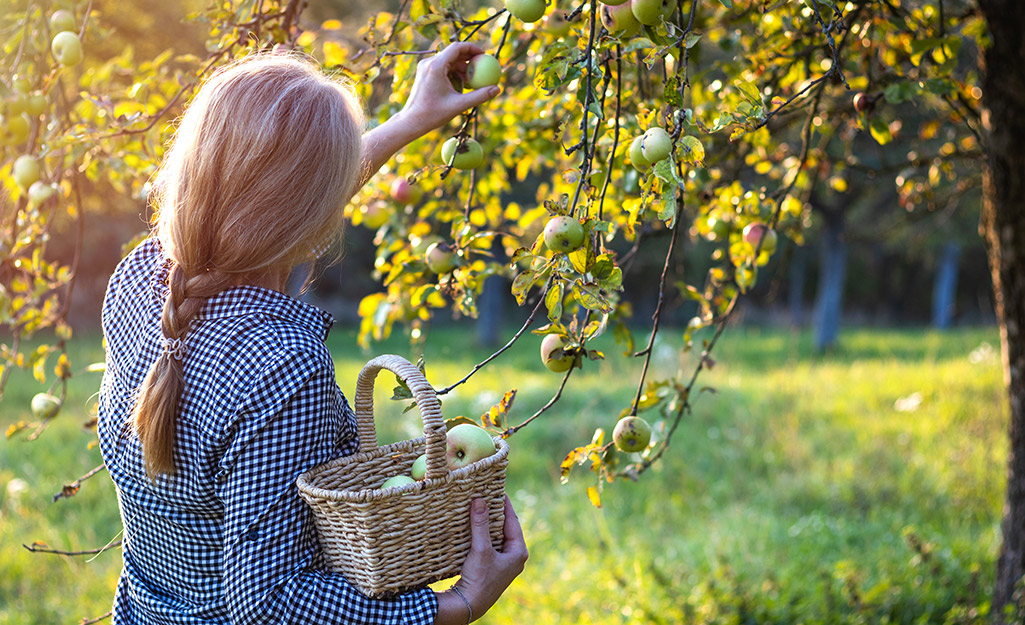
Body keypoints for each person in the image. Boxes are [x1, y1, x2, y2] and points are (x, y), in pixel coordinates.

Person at [97, 43, 527, 625]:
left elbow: (266, 206)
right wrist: (457, 605)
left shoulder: (138, 278)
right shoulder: (280, 366)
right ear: (315, 216)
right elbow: (270, 604)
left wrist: (408, 121)